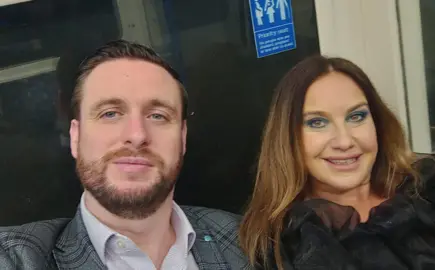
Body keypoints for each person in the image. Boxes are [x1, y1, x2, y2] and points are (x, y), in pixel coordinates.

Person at [0, 40, 251, 270]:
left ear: (183, 137)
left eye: (157, 115)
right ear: (75, 136)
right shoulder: (20, 258)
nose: (137, 135)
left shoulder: (245, 242)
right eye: (110, 113)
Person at [239, 55, 435, 270]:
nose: (344, 141)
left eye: (357, 116)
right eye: (317, 122)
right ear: (287, 137)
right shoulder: (290, 244)